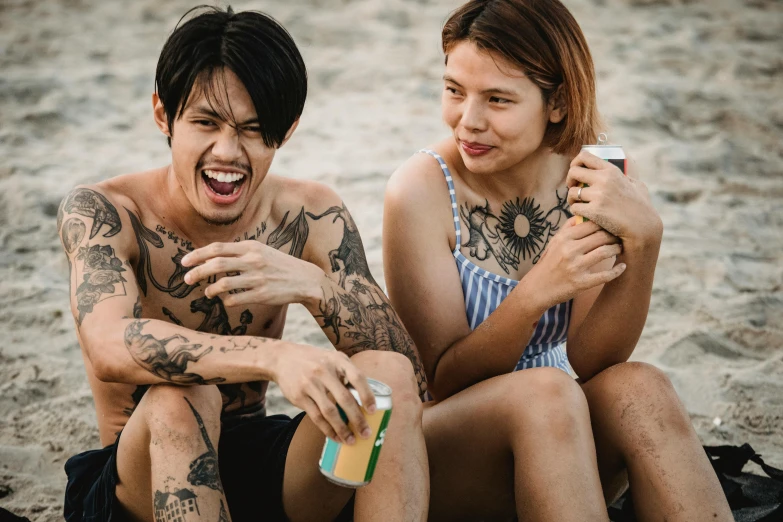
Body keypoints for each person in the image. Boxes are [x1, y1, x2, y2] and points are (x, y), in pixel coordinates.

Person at [58, 6, 428, 522]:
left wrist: (316, 286)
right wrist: (274, 357)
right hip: (138, 477)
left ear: (286, 130)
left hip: (260, 459)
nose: (227, 152)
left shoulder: (310, 213)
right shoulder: (107, 212)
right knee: (182, 398)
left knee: (384, 376)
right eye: (206, 122)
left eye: (254, 130)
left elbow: (413, 383)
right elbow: (106, 344)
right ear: (163, 115)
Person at [383, 0, 732, 520]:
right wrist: (537, 292)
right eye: (454, 90)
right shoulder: (421, 190)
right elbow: (444, 378)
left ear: (558, 104)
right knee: (546, 392)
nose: (468, 121)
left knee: (641, 385)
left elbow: (593, 362)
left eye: (498, 99)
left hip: (560, 438)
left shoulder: (590, 179)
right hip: (450, 448)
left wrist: (644, 246)